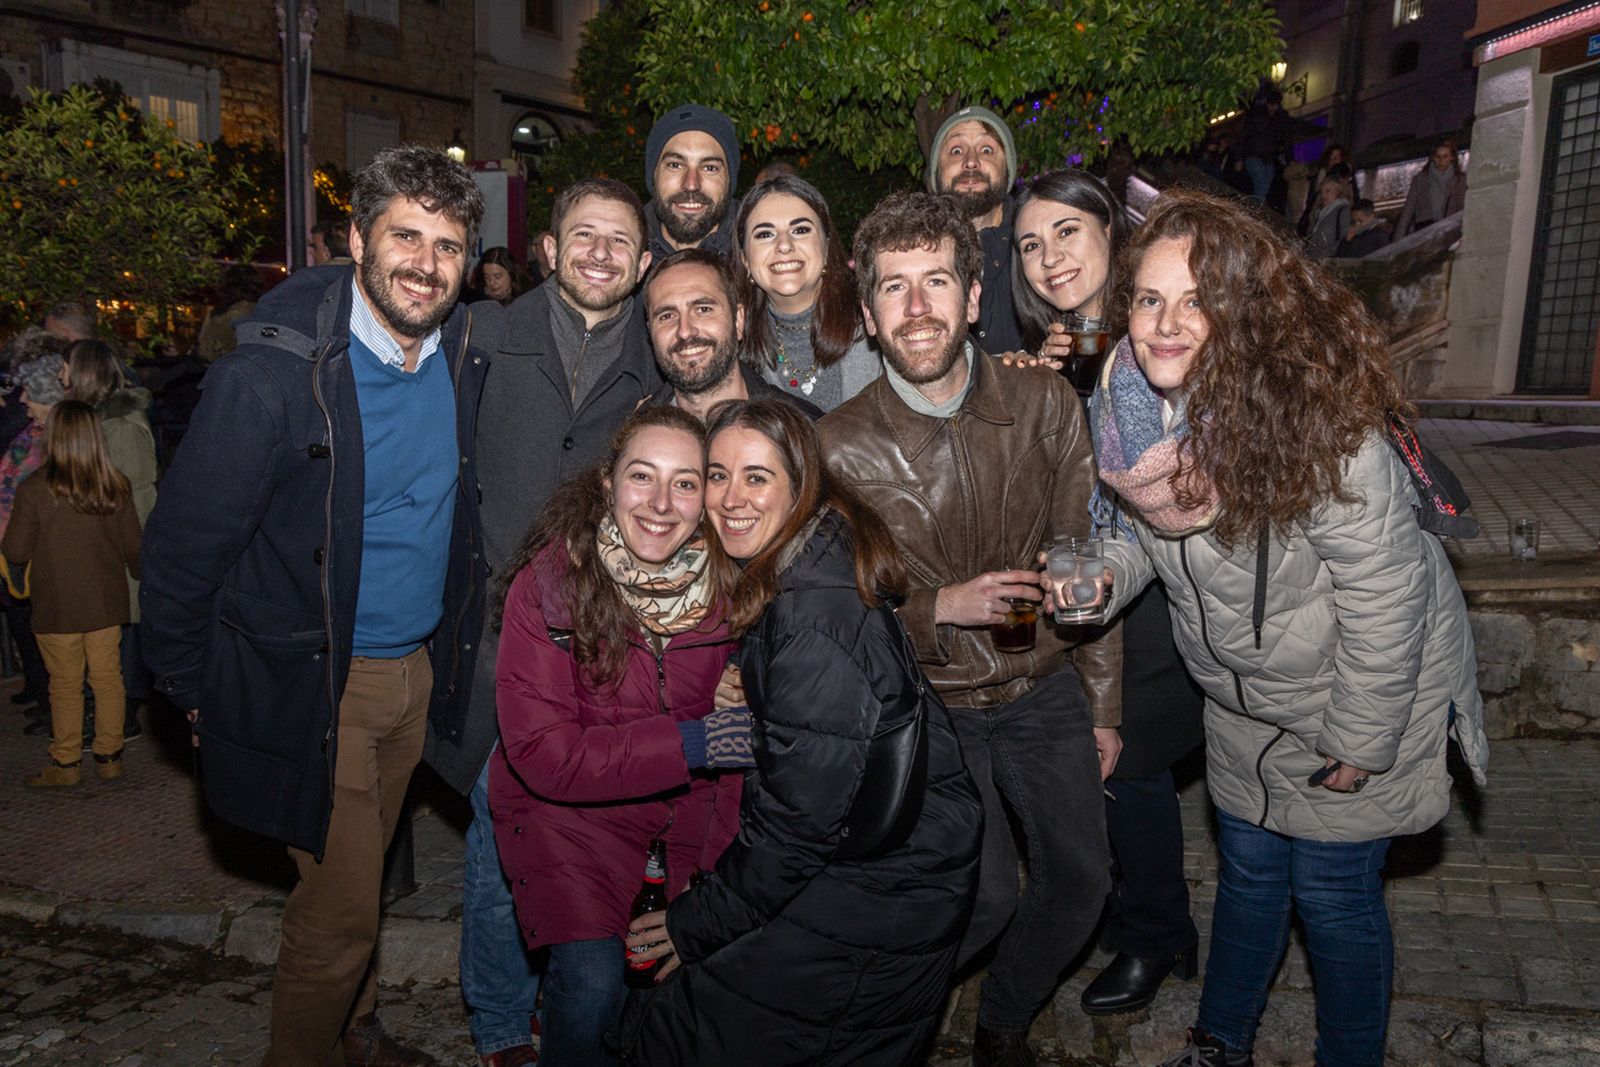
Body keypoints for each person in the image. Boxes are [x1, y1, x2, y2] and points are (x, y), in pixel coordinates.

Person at [1077, 187, 1487, 1067]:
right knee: (1252, 879)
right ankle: (1222, 1041)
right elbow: (1161, 543)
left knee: (1333, 896)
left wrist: (1363, 738)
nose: (1165, 322)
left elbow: (1389, 597)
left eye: (1198, 300)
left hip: (1365, 692)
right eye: (1149, 298)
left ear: (1248, 312)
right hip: (1246, 700)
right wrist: (1107, 575)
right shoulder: (1133, 413)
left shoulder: (1324, 426)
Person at [141, 144, 489, 1066]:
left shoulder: (455, 353)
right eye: (405, 236)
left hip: (410, 678)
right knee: (334, 917)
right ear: (356, 239)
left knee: (361, 882)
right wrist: (200, 695)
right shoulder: (273, 375)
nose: (425, 262)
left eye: (448, 245)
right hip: (315, 684)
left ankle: (356, 1031)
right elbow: (179, 556)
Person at [820, 190, 1121, 1067]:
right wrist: (936, 606)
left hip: (1045, 687)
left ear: (975, 296)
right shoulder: (836, 447)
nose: (918, 309)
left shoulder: (1045, 407)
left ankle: (1003, 1020)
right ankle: (874, 1028)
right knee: (981, 896)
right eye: (895, 288)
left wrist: (1104, 704)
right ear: (868, 313)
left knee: (1080, 883)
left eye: (937, 282)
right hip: (932, 705)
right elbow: (828, 612)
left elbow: (1084, 552)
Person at [621, 398, 984, 1065]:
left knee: (684, 1030)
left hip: (887, 890)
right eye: (718, 475)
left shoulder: (810, 615)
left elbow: (795, 828)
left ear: (799, 485)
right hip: (890, 863)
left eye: (756, 477)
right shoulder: (814, 553)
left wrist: (692, 924)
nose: (731, 497)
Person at [422, 175, 661, 1066]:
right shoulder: (480, 336)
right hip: (488, 642)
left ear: (641, 265)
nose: (599, 253)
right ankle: (498, 1023)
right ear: (550, 250)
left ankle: (573, 1010)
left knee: (579, 840)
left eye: (618, 242)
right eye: (582, 236)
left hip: (603, 643)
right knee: (498, 831)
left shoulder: (657, 355)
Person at [491, 404, 748, 1067]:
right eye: (642, 476)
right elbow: (545, 755)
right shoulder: (551, 586)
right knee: (595, 979)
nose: (661, 503)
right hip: (568, 820)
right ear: (608, 481)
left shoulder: (737, 594)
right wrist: (693, 741)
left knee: (672, 993)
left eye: (686, 482)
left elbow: (738, 763)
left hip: (682, 826)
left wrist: (709, 885)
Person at [1009, 170, 1207, 1017]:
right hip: (1088, 577)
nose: (1049, 255)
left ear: (1109, 234)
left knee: (1134, 767)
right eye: (1030, 243)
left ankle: (1155, 933)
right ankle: (1140, 920)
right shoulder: (1057, 350)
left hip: (1157, 584)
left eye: (1066, 232)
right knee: (1097, 764)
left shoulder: (1148, 335)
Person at [5, 401, 140, 788]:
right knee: (108, 678)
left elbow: (15, 550)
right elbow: (134, 547)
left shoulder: (34, 489)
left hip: (57, 605)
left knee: (64, 684)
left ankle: (66, 763)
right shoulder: (115, 484)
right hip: (105, 603)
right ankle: (109, 756)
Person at [61, 339, 158, 741]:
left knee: (125, 635)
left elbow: (137, 496)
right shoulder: (90, 422)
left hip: (122, 549)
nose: (59, 375)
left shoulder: (122, 427)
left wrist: (132, 551)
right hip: (102, 547)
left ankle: (124, 716)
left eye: (64, 367)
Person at [730, 175, 881, 412]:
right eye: (764, 234)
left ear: (826, 245)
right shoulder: (733, 342)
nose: (784, 245)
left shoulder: (875, 317)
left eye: (800, 230)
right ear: (745, 260)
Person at [644, 248, 822, 421]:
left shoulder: (802, 431)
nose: (684, 331)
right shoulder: (631, 440)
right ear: (650, 330)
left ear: (738, 320)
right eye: (667, 316)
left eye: (703, 309)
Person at [0, 349, 66, 737]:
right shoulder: (32, 432)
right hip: (15, 545)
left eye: (28, 393)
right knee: (27, 628)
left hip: (37, 550)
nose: (21, 399)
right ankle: (43, 698)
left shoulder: (57, 439)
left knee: (45, 635)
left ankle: (54, 709)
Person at [925, 105, 1024, 355]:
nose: (970, 162)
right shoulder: (914, 252)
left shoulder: (1036, 242)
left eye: (987, 150)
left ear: (1007, 169)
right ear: (937, 175)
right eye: (956, 151)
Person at [644, 104, 741, 260]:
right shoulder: (623, 252)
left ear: (730, 180)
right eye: (675, 165)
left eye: (709, 168)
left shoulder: (758, 254)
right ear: (653, 175)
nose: (691, 184)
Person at [1396, 139, 1467, 238]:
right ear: (1433, 157)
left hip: (1451, 229)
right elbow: (1409, 209)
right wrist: (1399, 238)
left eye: (1445, 156)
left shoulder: (1460, 180)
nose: (1441, 161)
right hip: (1424, 229)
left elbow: (1464, 207)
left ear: (1452, 158)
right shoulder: (1420, 180)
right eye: (1438, 157)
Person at [1236, 90, 1292, 206]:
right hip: (1254, 154)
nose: (1273, 107)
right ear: (1267, 103)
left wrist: (1288, 157)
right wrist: (1239, 158)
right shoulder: (1256, 115)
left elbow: (1286, 139)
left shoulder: (1279, 118)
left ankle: (1257, 205)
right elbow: (1244, 137)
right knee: (1261, 182)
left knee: (1263, 184)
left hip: (1268, 157)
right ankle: (1258, 207)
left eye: (1275, 105)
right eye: (1271, 104)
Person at [1305, 177, 1352, 260]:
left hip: (1328, 257)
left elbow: (1344, 237)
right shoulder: (1321, 211)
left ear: (1338, 192)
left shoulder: (1343, 210)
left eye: (1328, 191)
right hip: (1314, 255)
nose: (1323, 195)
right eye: (1321, 192)